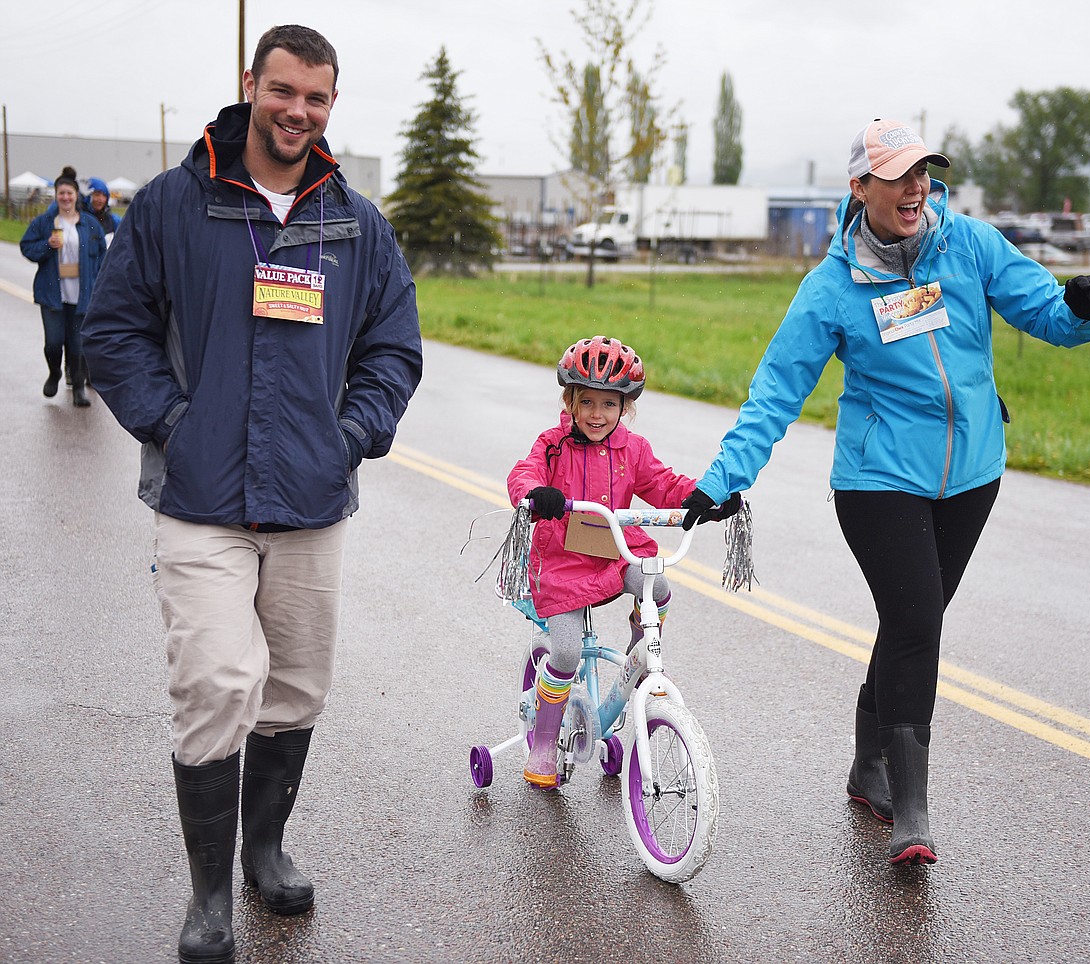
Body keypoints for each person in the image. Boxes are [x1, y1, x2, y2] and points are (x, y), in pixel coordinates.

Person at [681, 118, 1090, 866]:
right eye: (898, 176)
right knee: (917, 621)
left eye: (924, 173)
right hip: (879, 481)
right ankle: (912, 811)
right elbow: (777, 390)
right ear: (860, 188)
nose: (916, 188)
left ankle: (866, 763)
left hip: (972, 473)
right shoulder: (833, 288)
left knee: (911, 621)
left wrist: (1082, 308)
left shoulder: (969, 244)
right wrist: (724, 478)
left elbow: (1045, 313)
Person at [82, 25, 423, 964]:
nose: (297, 113)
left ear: (330, 107)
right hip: (200, 497)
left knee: (297, 686)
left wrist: (349, 436)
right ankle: (206, 902)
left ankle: (265, 851)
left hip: (313, 502)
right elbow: (112, 331)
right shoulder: (174, 205)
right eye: (283, 92)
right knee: (217, 680)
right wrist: (172, 424)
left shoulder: (353, 220)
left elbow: (394, 347)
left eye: (316, 99)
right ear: (251, 85)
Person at [507, 335, 733, 789]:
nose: (596, 414)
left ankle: (640, 650)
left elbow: (663, 484)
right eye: (586, 401)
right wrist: (536, 494)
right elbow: (524, 472)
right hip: (564, 563)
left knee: (659, 585)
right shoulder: (553, 445)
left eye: (609, 404)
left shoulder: (633, 449)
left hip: (615, 553)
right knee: (567, 651)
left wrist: (704, 498)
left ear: (625, 407)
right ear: (569, 401)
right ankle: (545, 743)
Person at [19, 166, 106, 406]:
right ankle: (55, 372)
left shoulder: (89, 224)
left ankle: (79, 388)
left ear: (76, 195)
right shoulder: (45, 222)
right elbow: (26, 247)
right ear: (56, 196)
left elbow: (102, 255)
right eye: (61, 193)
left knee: (78, 344)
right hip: (52, 293)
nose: (65, 197)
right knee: (54, 342)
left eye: (69, 193)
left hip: (82, 293)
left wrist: (98, 284)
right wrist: (47, 245)